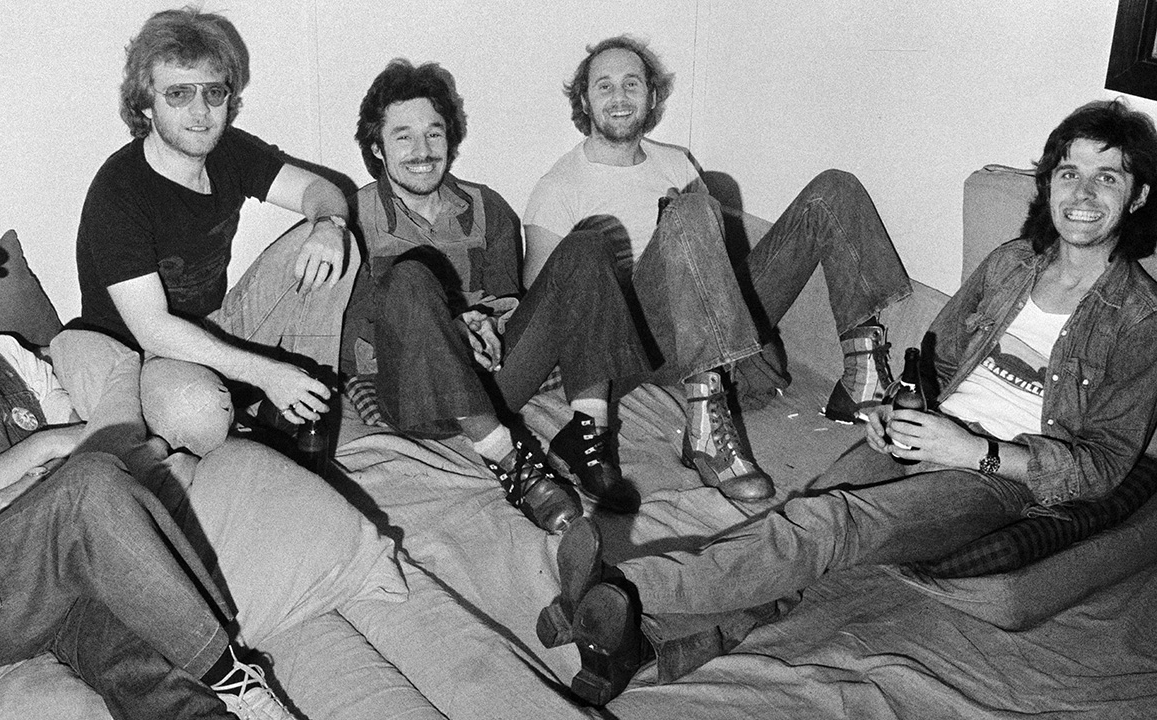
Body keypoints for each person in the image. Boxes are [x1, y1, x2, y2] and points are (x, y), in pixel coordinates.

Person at [537, 99, 1157, 706]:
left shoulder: (1139, 317)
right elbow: (937, 361)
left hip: (994, 477)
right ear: (1049, 185)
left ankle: (616, 588)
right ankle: (637, 644)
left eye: (1107, 177)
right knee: (806, 528)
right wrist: (893, 407)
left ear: (1137, 197)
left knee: (827, 523)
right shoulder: (1011, 265)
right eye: (1069, 173)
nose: (1082, 193)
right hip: (922, 431)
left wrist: (976, 451)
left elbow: (1102, 466)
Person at [0, 219, 303, 719]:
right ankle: (230, 670)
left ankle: (231, 703)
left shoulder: (9, 356)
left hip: (56, 570)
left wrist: (17, 490)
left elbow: (94, 445)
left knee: (146, 664)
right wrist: (41, 446)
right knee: (90, 484)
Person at [523, 35, 913, 501]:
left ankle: (862, 371)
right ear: (584, 100)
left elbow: (711, 262)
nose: (619, 97)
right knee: (688, 211)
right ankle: (705, 427)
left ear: (651, 95)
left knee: (834, 190)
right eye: (604, 86)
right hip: (635, 345)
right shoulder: (560, 186)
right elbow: (545, 302)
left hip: (709, 315)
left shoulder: (675, 161)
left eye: (631, 83)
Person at [344, 59, 654, 531]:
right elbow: (353, 345)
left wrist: (485, 320)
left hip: (493, 384)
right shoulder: (351, 219)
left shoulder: (486, 206)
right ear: (377, 148)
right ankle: (514, 464)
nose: (422, 151)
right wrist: (447, 329)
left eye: (434, 133)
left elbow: (511, 300)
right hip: (413, 395)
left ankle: (589, 439)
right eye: (403, 136)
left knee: (588, 245)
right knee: (409, 280)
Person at [72, 7, 358, 457]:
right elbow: (152, 329)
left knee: (338, 245)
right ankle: (266, 399)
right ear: (146, 104)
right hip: (146, 354)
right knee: (199, 412)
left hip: (216, 324)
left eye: (214, 92)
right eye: (179, 94)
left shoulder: (228, 151)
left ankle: (302, 404)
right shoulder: (119, 190)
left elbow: (320, 190)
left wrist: (327, 224)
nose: (201, 111)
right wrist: (264, 373)